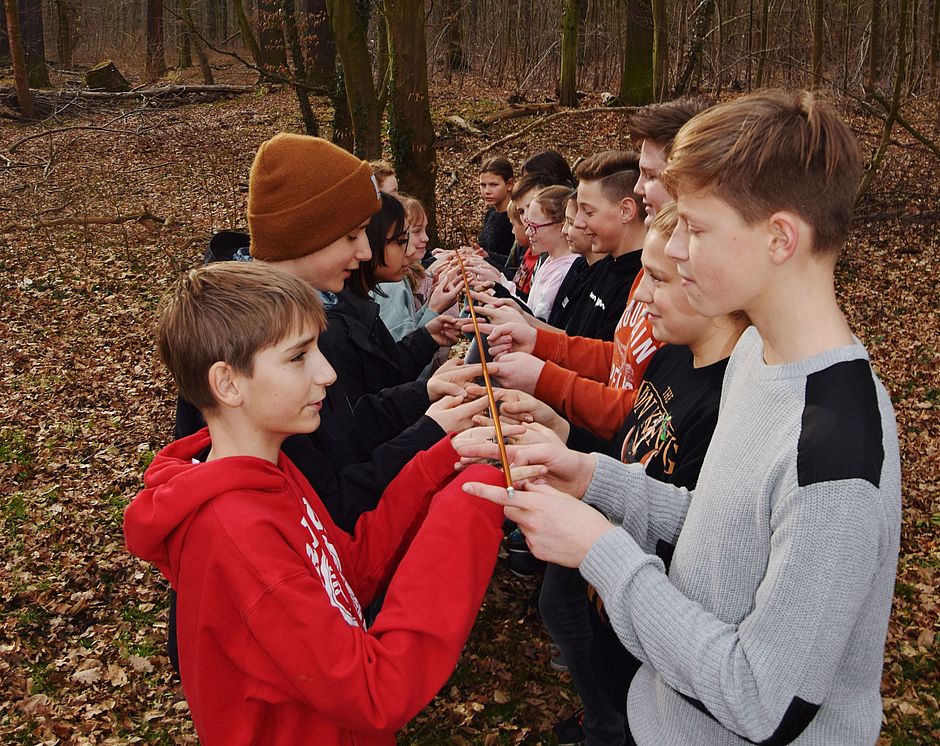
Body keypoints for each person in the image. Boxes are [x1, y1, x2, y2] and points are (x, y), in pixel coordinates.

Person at [459, 89, 902, 746]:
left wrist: (598, 550)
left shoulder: (835, 451)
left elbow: (764, 702)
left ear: (779, 237)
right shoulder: (758, 351)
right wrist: (594, 478)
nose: (675, 250)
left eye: (696, 228)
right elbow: (727, 532)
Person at [126, 261, 515, 745]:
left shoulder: (269, 471)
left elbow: (344, 571)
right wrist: (470, 502)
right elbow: (374, 693)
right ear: (227, 383)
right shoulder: (237, 533)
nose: (327, 372)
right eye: (298, 357)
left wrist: (444, 460)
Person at [320, 193, 461, 405]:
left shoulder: (360, 308)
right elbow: (365, 416)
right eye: (402, 241)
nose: (411, 250)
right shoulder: (337, 326)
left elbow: (386, 371)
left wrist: (426, 339)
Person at [371, 195, 461, 342]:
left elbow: (409, 326)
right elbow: (403, 357)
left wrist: (431, 305)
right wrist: (434, 310)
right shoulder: (391, 285)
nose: (425, 238)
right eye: (402, 240)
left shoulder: (398, 278)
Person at [523, 186, 579, 321]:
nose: (528, 233)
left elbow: (537, 321)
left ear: (561, 227)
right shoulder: (548, 259)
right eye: (528, 225)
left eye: (534, 227)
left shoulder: (563, 272)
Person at [477, 156, 516, 267]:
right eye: (483, 185)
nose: (487, 191)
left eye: (494, 185)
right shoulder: (490, 214)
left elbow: (516, 261)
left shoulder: (517, 218)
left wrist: (486, 256)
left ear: (509, 184)